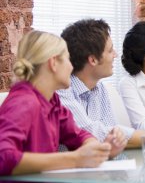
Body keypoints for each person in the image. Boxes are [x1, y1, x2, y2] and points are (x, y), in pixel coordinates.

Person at [58, 19, 145, 152]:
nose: (115, 55)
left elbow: (115, 134)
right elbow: (94, 134)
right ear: (93, 60)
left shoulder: (99, 89)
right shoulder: (61, 92)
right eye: (110, 50)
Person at [0, 31, 111, 176]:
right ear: (53, 63)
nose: (72, 67)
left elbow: (78, 134)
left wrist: (93, 148)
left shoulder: (53, 101)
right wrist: (75, 159)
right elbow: (3, 158)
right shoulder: (23, 103)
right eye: (68, 59)